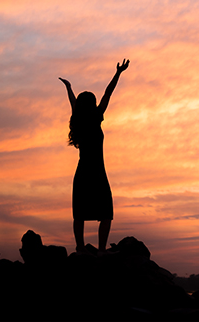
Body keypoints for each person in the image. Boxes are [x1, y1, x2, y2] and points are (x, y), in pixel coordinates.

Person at [59, 59, 129, 254]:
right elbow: (109, 92)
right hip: (97, 172)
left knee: (80, 213)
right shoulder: (96, 117)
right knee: (106, 212)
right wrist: (118, 73)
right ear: (92, 105)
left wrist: (69, 87)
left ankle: (81, 249)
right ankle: (100, 250)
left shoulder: (79, 120)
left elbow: (73, 103)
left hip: (83, 172)